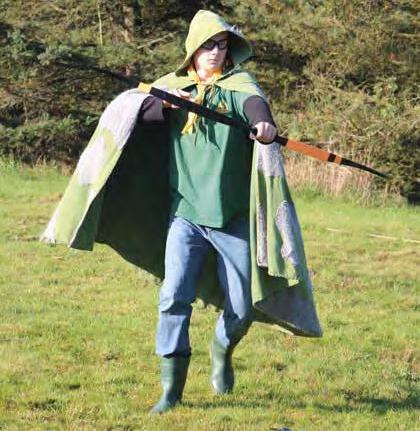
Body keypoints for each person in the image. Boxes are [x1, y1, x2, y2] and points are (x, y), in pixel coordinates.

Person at [41, 9, 322, 415]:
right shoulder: (172, 88)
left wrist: (264, 126)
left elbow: (256, 106)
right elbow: (138, 111)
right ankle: (171, 392)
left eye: (222, 46)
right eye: (208, 46)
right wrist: (169, 107)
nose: (216, 53)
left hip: (233, 218)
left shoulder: (237, 85)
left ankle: (222, 349)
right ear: (193, 49)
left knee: (243, 306)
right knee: (173, 297)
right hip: (185, 215)